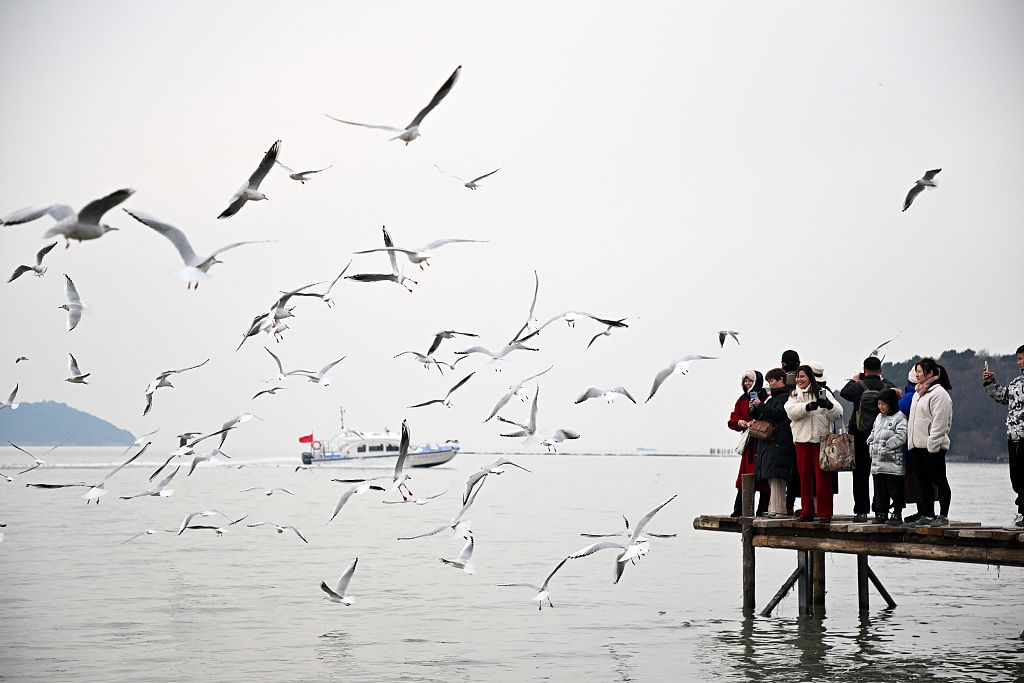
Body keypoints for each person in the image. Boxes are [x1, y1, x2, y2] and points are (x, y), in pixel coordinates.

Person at [840, 356, 897, 522]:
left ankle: (861, 511)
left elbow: (844, 392)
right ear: (880, 370)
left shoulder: (858, 387)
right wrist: (883, 379)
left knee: (860, 475)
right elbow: (895, 391)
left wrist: (854, 379)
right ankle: (880, 510)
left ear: (864, 370)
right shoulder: (886, 387)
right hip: (881, 436)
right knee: (880, 474)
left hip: (859, 435)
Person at [785, 363, 844, 523]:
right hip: (802, 440)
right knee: (804, 478)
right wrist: (806, 407)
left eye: (802, 376)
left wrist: (828, 405)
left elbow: (838, 412)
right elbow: (790, 412)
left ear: (810, 377)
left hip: (821, 441)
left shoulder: (822, 392)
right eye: (797, 377)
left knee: (823, 478)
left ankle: (824, 513)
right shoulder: (794, 394)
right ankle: (807, 512)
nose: (799, 379)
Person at [905, 357, 954, 528]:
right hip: (917, 446)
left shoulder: (940, 394)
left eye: (920, 371)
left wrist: (932, 445)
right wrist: (911, 443)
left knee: (939, 481)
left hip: (933, 447)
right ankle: (927, 515)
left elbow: (941, 423)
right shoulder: (918, 393)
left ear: (930, 373)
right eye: (916, 372)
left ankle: (943, 515)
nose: (917, 375)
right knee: (923, 482)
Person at [982, 344, 1024, 529]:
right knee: (1017, 478)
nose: (1018, 362)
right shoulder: (1016, 383)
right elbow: (1003, 397)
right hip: (1013, 436)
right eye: (1017, 359)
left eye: (1021, 358)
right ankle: (1022, 513)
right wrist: (990, 383)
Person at [751, 368, 794, 518]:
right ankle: (773, 508)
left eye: (772, 381)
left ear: (781, 379)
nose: (770, 384)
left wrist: (760, 405)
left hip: (780, 440)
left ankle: (779, 509)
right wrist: (753, 409)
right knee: (772, 476)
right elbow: (764, 414)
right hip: (771, 441)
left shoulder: (785, 397)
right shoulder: (771, 398)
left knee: (778, 476)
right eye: (769, 381)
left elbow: (778, 414)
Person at [729, 370, 769, 516]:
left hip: (764, 442)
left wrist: (757, 422)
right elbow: (733, 419)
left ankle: (763, 510)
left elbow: (770, 414)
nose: (747, 383)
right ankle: (739, 510)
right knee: (745, 476)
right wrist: (739, 422)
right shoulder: (741, 400)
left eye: (750, 381)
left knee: (763, 477)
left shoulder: (766, 396)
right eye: (745, 381)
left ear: (757, 382)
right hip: (749, 444)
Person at [867, 388, 908, 525]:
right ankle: (881, 512)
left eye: (884, 404)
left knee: (895, 489)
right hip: (878, 461)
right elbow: (874, 431)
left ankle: (897, 513)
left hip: (893, 462)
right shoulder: (879, 417)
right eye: (879, 404)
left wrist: (887, 445)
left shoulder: (900, 417)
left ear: (891, 403)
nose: (881, 407)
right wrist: (870, 441)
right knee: (880, 489)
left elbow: (901, 436)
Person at [898, 367, 928, 524]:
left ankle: (923, 512)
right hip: (927, 445)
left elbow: (897, 413)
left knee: (916, 483)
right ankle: (925, 512)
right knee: (924, 480)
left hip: (911, 447)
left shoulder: (908, 398)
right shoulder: (928, 395)